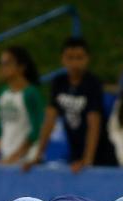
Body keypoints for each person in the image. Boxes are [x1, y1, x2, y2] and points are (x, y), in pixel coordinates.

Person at [27, 36, 116, 172]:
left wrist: (88, 160)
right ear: (62, 59)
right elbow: (49, 120)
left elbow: (94, 122)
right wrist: (38, 154)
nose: (74, 63)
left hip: (101, 154)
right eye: (70, 58)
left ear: (87, 59)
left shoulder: (92, 84)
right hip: (75, 151)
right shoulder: (59, 83)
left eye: (79, 58)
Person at [0, 46, 44, 165]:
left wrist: (17, 155)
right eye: (1, 63)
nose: (2, 68)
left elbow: (37, 129)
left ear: (21, 67)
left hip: (27, 161)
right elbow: (0, 128)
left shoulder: (30, 93)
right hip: (6, 158)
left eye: (7, 63)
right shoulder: (3, 93)